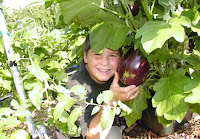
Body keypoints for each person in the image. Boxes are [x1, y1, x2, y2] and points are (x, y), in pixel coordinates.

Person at [67, 35, 140, 139]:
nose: (105, 63)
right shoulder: (76, 86)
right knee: (112, 136)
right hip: (84, 135)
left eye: (112, 55)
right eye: (97, 54)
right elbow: (92, 136)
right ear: (85, 57)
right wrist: (112, 101)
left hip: (105, 121)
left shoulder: (119, 74)